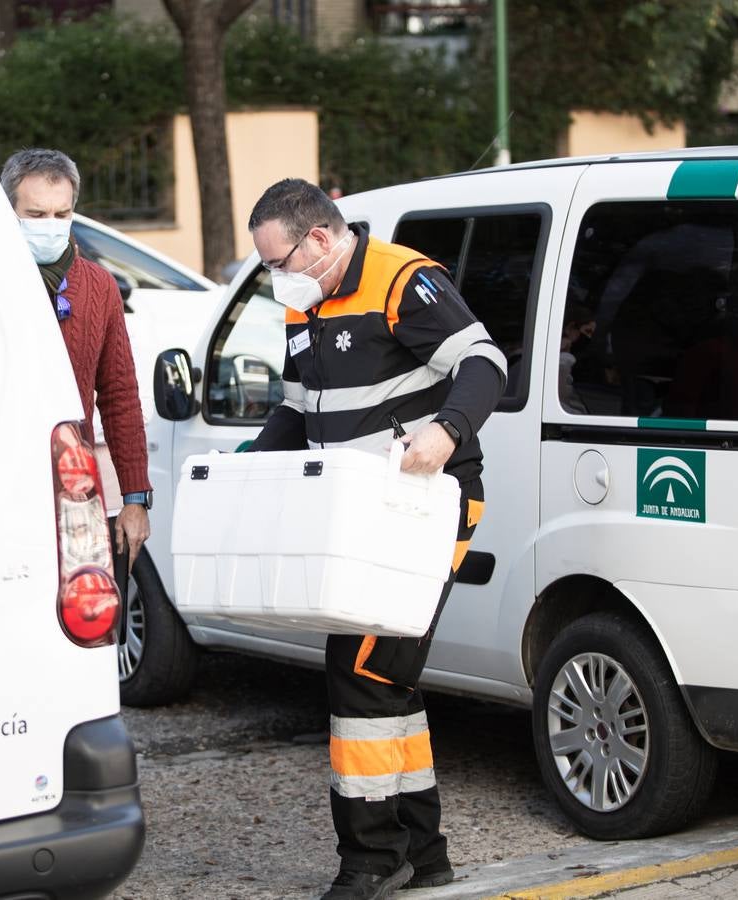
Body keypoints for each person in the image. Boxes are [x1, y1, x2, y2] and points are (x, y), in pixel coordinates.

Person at [246, 178, 507, 900]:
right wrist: (244, 477)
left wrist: (447, 430)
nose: (276, 279)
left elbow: (483, 362)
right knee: (386, 675)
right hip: (359, 514)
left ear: (320, 240)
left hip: (426, 504)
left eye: (279, 263)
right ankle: (422, 852)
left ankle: (371, 857)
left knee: (359, 671)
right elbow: (297, 409)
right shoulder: (311, 303)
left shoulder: (402, 279)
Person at [0, 148, 152, 566]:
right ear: (8, 211)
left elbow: (120, 394)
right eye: (35, 215)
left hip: (75, 485)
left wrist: (135, 497)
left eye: (60, 214)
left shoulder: (99, 287)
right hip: (1, 487)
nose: (50, 226)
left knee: (85, 615)